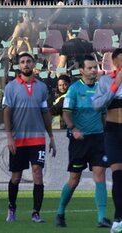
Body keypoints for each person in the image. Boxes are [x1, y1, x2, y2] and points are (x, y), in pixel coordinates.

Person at [56, 55, 111, 228]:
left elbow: (103, 114)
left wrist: (106, 133)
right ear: (81, 71)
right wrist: (73, 129)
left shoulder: (100, 89)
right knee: (74, 180)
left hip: (97, 139)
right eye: (90, 68)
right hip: (79, 141)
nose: (94, 70)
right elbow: (66, 112)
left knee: (100, 175)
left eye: (95, 67)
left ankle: (102, 218)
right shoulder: (74, 89)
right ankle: (60, 212)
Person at [2, 52, 56, 223]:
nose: (25, 64)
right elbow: (7, 112)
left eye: (28, 61)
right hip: (18, 139)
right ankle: (11, 207)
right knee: (16, 177)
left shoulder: (41, 87)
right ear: (19, 66)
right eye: (22, 62)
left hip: (37, 138)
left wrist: (51, 136)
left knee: (37, 173)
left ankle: (36, 213)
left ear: (34, 65)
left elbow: (45, 112)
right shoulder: (10, 87)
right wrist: (9, 137)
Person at [92, 48, 122, 233]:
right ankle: (118, 218)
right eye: (120, 63)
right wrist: (115, 85)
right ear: (115, 63)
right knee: (118, 176)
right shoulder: (105, 81)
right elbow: (96, 105)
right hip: (112, 132)